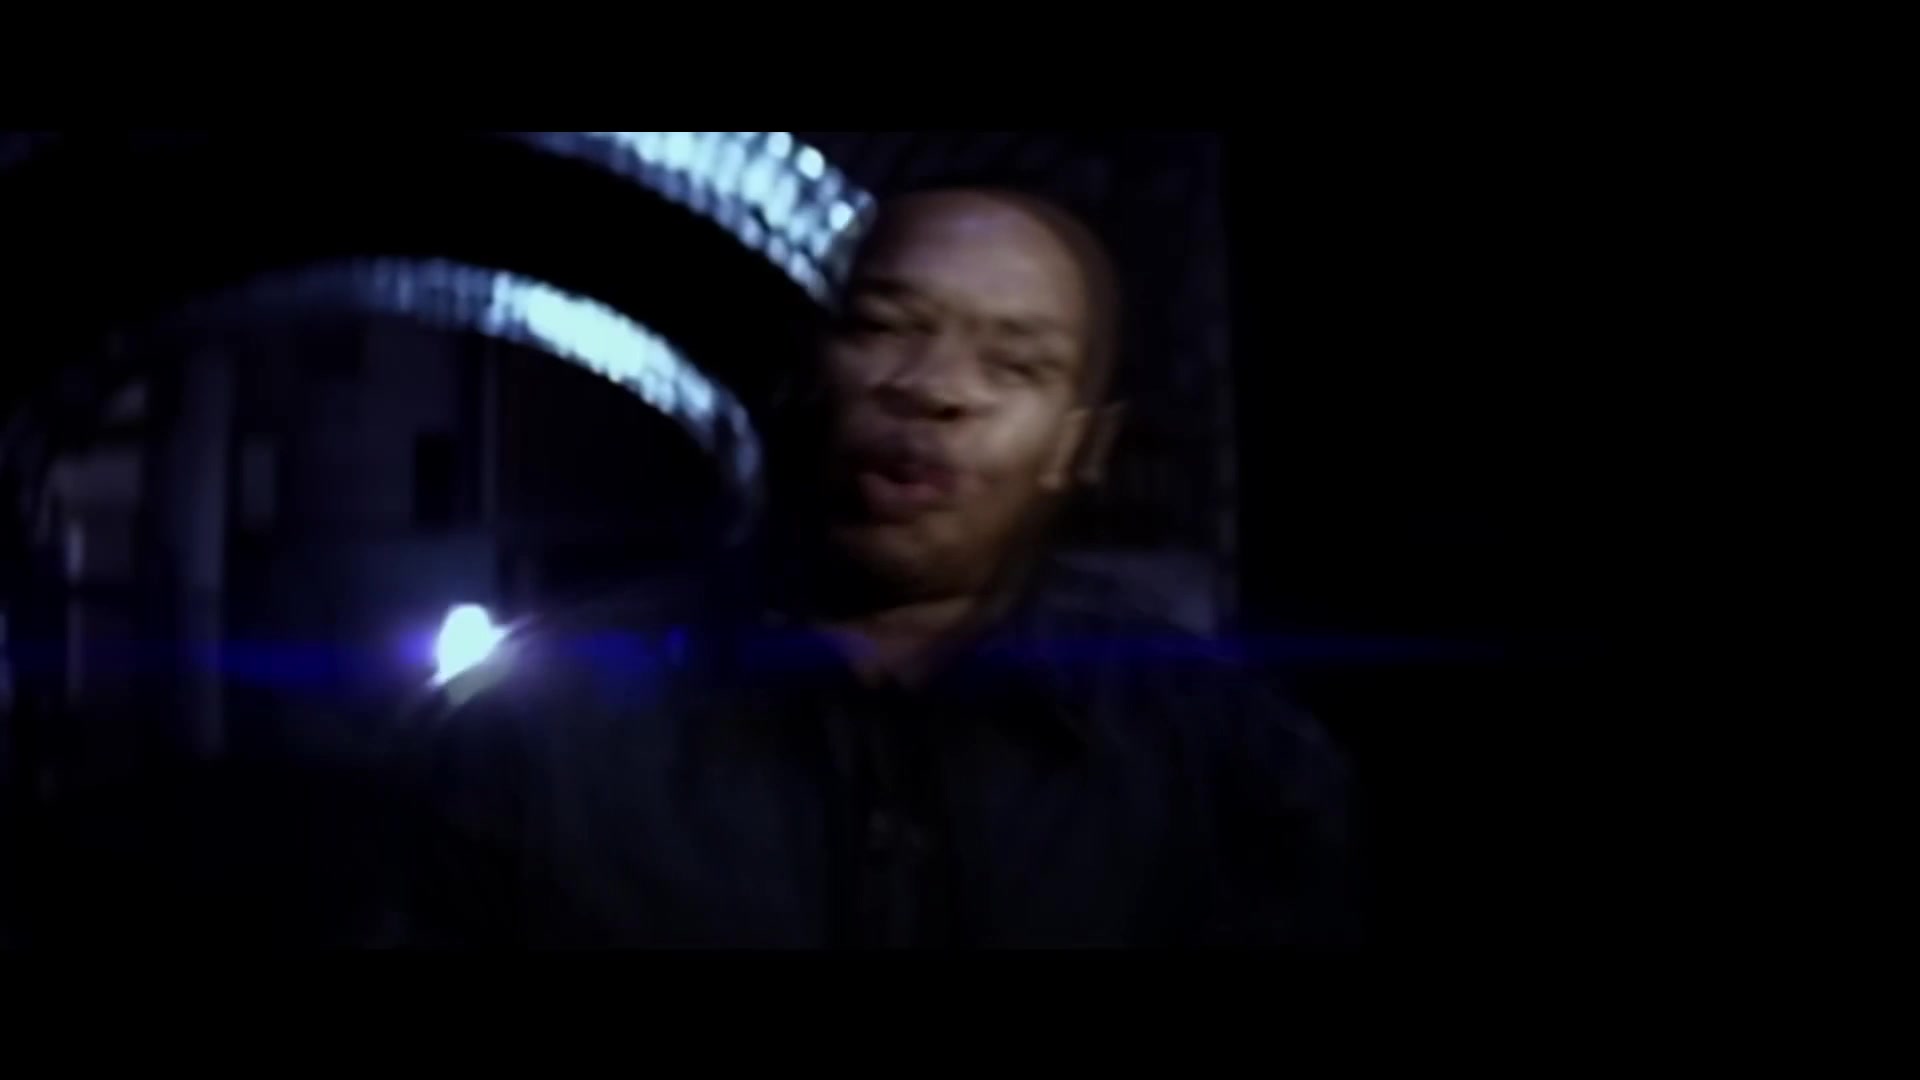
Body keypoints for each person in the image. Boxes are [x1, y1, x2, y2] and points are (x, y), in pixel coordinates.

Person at [399, 186, 1358, 948]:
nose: (933, 388)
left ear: (1080, 446)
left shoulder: (1227, 765)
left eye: (1014, 365)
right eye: (885, 325)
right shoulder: (535, 738)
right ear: (803, 368)